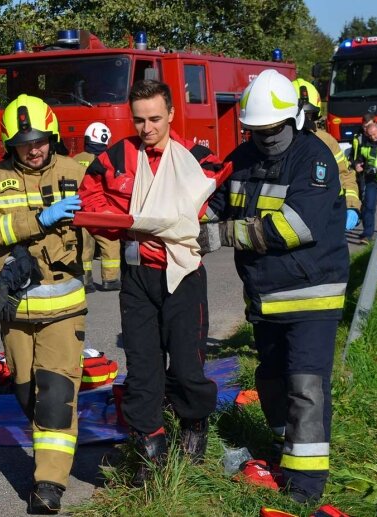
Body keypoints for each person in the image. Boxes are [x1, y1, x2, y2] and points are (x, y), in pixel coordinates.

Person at [79, 79, 229, 485]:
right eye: (140, 120)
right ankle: (150, 444)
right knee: (143, 368)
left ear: (171, 115)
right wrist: (122, 223)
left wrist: (195, 221)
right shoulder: (117, 157)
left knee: (186, 364)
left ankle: (194, 426)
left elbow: (220, 192)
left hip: (183, 275)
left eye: (155, 119)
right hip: (139, 277)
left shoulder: (195, 157)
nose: (147, 128)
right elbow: (91, 197)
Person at [212, 69, 349, 503]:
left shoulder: (315, 160)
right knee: (270, 380)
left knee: (305, 386)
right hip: (265, 298)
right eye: (256, 130)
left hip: (314, 294)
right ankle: (283, 447)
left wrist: (223, 234)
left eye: (272, 129)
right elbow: (211, 204)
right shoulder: (243, 157)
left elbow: (296, 226)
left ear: (293, 121)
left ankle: (305, 487)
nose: (266, 138)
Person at [0, 94, 87, 515]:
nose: (34, 149)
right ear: (9, 145)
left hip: (64, 307)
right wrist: (40, 220)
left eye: (40, 140)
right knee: (25, 393)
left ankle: (48, 485)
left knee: (55, 394)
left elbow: (108, 216)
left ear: (51, 137)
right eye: (23, 143)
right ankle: (55, 442)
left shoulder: (77, 172)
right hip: (15, 308)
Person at [291, 78, 361, 231]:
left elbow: (345, 175)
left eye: (308, 115)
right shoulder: (278, 143)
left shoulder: (327, 142)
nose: (303, 120)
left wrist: (351, 206)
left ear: (315, 115)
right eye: (299, 114)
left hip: (325, 221)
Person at [73, 122, 121, 292]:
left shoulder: (75, 160)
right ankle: (111, 279)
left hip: (79, 211)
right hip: (101, 211)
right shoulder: (107, 160)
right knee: (110, 244)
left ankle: (85, 281)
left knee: (84, 247)